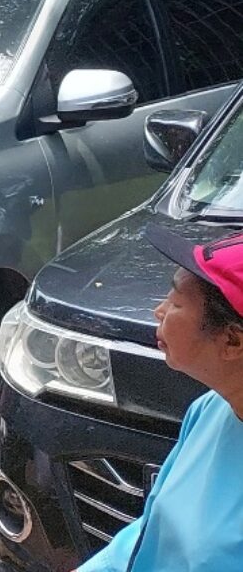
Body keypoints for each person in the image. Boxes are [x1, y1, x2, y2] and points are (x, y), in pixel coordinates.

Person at [76, 221, 243, 571]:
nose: (160, 311)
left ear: (232, 341)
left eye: (177, 302)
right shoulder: (209, 410)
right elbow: (150, 534)